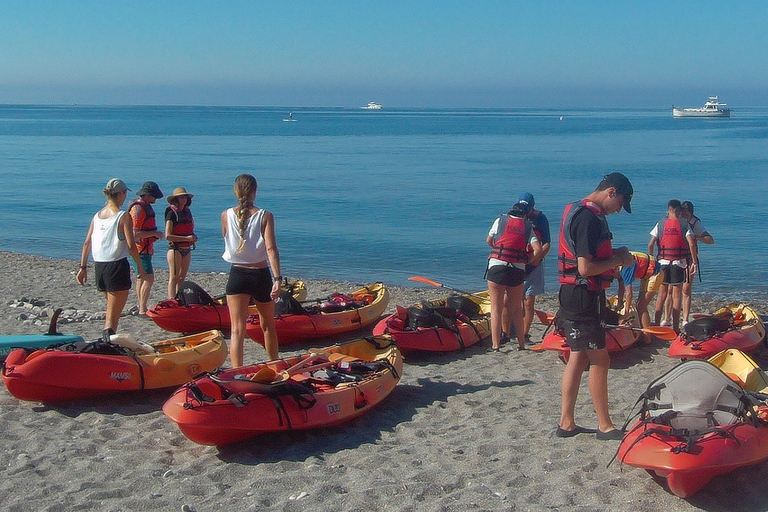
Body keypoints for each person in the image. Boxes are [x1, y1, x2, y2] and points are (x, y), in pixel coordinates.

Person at [555, 172, 635, 441]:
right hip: (582, 298)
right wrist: (618, 261)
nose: (617, 212)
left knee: (577, 357)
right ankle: (605, 425)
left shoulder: (577, 210)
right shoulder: (589, 218)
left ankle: (566, 422)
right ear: (611, 192)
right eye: (619, 204)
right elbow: (585, 268)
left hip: (574, 294)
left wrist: (614, 255)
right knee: (601, 359)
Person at [222, 174, 282, 366]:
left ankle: (236, 371)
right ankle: (274, 365)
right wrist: (278, 278)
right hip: (260, 274)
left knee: (237, 330)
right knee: (267, 326)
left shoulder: (226, 215)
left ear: (235, 191)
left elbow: (228, 239)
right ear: (255, 192)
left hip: (237, 274)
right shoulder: (265, 215)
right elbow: (271, 249)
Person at [76, 178, 145, 336]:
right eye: (125, 193)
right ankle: (108, 345)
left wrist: (83, 268)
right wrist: (140, 267)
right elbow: (131, 245)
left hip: (99, 267)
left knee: (111, 310)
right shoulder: (123, 216)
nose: (125, 197)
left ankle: (109, 341)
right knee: (112, 319)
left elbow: (87, 243)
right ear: (120, 194)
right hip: (116, 267)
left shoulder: (97, 215)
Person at [486, 196, 542, 351]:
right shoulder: (527, 227)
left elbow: (489, 241)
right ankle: (521, 344)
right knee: (516, 308)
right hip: (517, 269)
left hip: (497, 266)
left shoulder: (500, 221)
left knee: (496, 308)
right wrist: (528, 260)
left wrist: (498, 250)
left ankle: (496, 345)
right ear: (524, 215)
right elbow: (538, 249)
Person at [648, 199, 698, 332]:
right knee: (677, 296)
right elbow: (692, 244)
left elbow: (651, 244)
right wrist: (694, 262)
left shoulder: (660, 224)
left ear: (668, 211)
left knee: (661, 295)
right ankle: (675, 328)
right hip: (678, 263)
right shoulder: (684, 224)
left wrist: (652, 259)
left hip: (663, 262)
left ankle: (657, 325)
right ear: (679, 211)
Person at [128, 181, 164, 315]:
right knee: (148, 278)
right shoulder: (138, 209)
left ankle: (140, 305)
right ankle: (142, 308)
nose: (155, 199)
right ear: (148, 195)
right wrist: (155, 234)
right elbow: (135, 233)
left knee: (141, 277)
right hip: (140, 249)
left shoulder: (144, 206)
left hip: (145, 248)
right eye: (154, 196)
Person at [520, 193, 551, 343]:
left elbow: (546, 243)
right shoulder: (515, 215)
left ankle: (525, 334)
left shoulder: (540, 219)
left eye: (528, 207)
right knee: (509, 301)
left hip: (534, 263)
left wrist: (535, 259)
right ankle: (505, 333)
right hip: (517, 263)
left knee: (528, 301)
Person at [679, 201, 714, 325]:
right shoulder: (676, 221)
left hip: (689, 258)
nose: (684, 215)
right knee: (672, 289)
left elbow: (710, 240)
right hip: (676, 257)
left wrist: (695, 237)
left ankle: (685, 318)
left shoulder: (695, 223)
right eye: (682, 212)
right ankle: (670, 317)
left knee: (686, 289)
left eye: (686, 213)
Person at [165, 187, 198, 299]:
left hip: (187, 248)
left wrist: (193, 237)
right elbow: (168, 235)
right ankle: (172, 300)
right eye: (181, 197)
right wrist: (187, 238)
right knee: (173, 277)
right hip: (175, 249)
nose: (184, 199)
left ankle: (179, 298)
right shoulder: (171, 213)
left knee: (181, 278)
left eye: (185, 197)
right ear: (176, 199)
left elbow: (190, 228)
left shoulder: (187, 211)